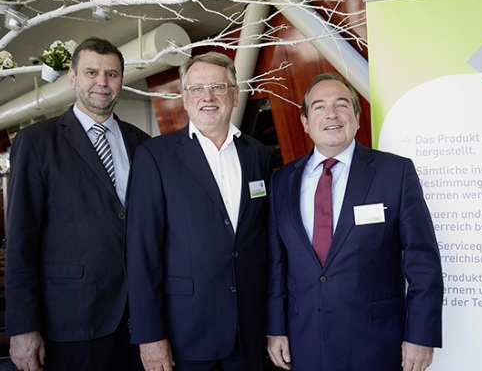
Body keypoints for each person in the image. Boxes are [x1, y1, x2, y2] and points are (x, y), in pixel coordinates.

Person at [266, 73, 444, 371]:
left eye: (342, 104)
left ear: (357, 118)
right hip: (305, 340)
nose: (332, 114)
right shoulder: (282, 181)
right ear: (306, 122)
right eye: (319, 107)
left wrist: (421, 336)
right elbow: (277, 264)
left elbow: (423, 262)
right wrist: (275, 328)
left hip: (377, 341)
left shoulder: (394, 173)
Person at [5, 37, 150, 371]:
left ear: (121, 81)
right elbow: (21, 241)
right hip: (71, 322)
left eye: (112, 74)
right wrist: (23, 327)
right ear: (72, 78)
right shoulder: (37, 142)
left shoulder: (143, 144)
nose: (102, 82)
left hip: (137, 320)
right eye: (91, 72)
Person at [126, 51, 272, 371]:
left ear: (234, 94)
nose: (208, 96)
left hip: (248, 332)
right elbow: (142, 254)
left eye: (218, 87)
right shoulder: (155, 156)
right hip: (186, 335)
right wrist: (150, 337)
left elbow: (263, 243)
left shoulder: (257, 155)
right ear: (184, 98)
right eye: (196, 88)